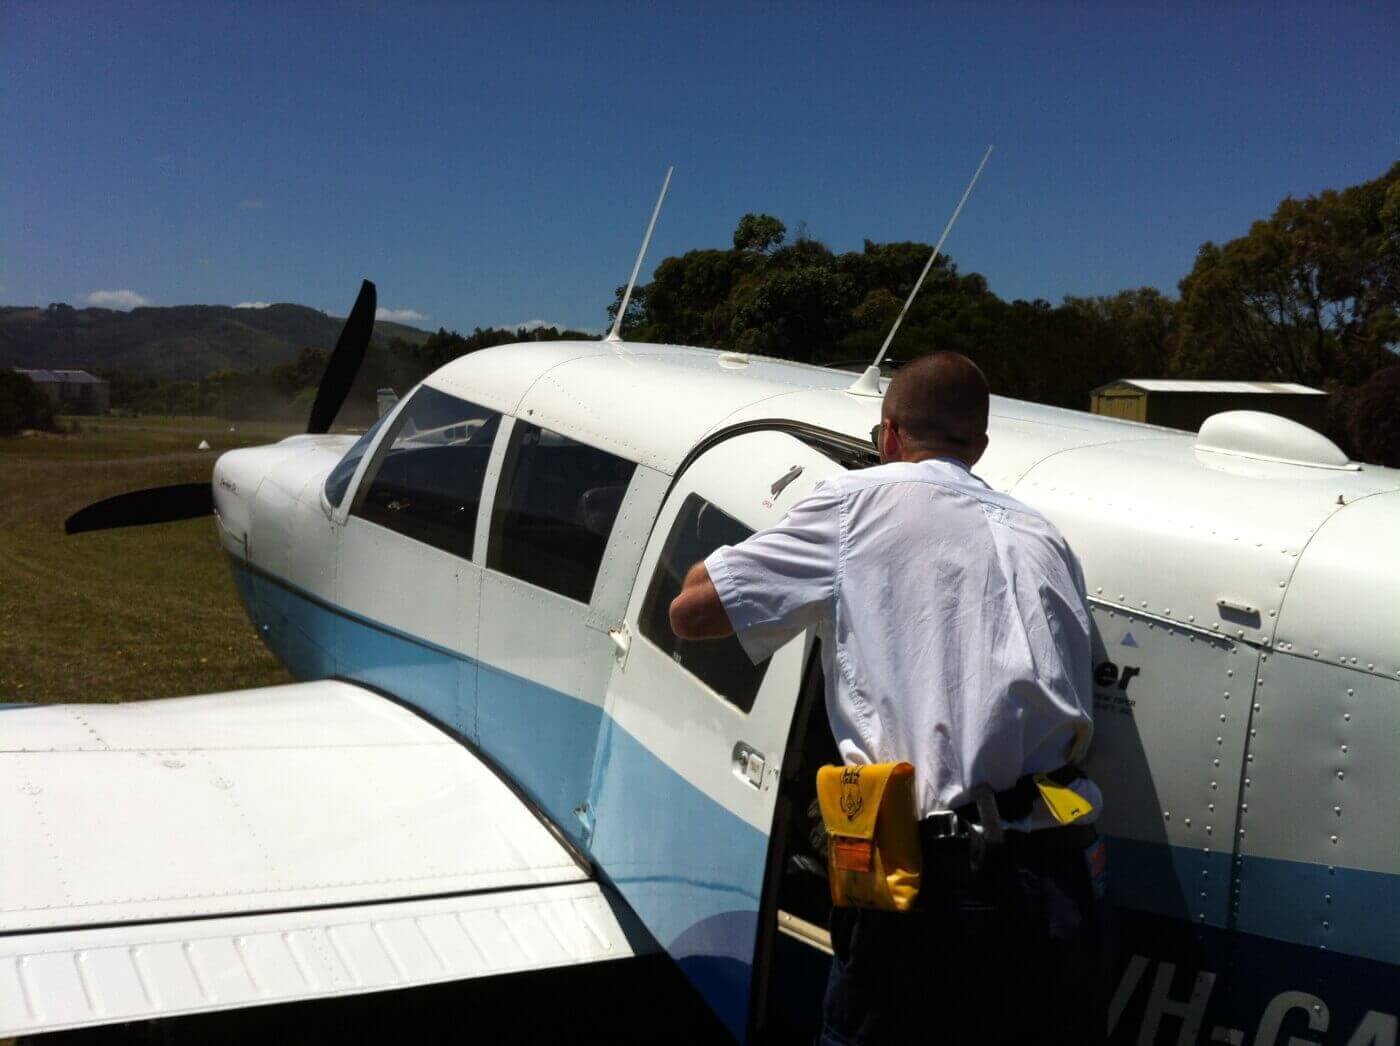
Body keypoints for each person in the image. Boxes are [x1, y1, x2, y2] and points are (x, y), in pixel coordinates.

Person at [669, 351, 1108, 1045]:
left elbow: (691, 612)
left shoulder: (855, 501)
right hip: (1060, 879)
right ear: (981, 447)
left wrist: (728, 559)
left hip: (933, 892)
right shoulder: (1045, 535)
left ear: (888, 437)